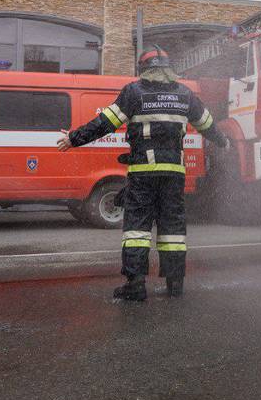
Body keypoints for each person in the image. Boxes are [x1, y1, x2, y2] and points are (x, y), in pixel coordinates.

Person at [56, 46, 229, 301]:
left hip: (143, 173)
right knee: (173, 228)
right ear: (168, 69)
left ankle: (135, 285)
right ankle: (175, 284)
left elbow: (104, 123)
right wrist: (224, 142)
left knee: (137, 228)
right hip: (173, 174)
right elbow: (207, 125)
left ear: (143, 70)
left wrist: (73, 138)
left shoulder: (134, 92)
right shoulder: (185, 94)